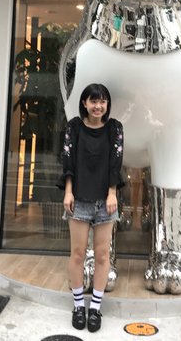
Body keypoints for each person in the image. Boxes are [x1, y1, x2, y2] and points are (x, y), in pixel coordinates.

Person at [57, 83, 124, 332]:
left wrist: (112, 193)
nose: (98, 106)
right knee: (77, 254)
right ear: (84, 103)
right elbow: (68, 161)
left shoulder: (114, 128)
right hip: (79, 200)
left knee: (103, 255)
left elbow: (115, 163)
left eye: (102, 101)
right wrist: (68, 191)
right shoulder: (74, 127)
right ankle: (78, 306)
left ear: (107, 104)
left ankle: (95, 308)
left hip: (106, 202)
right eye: (93, 101)